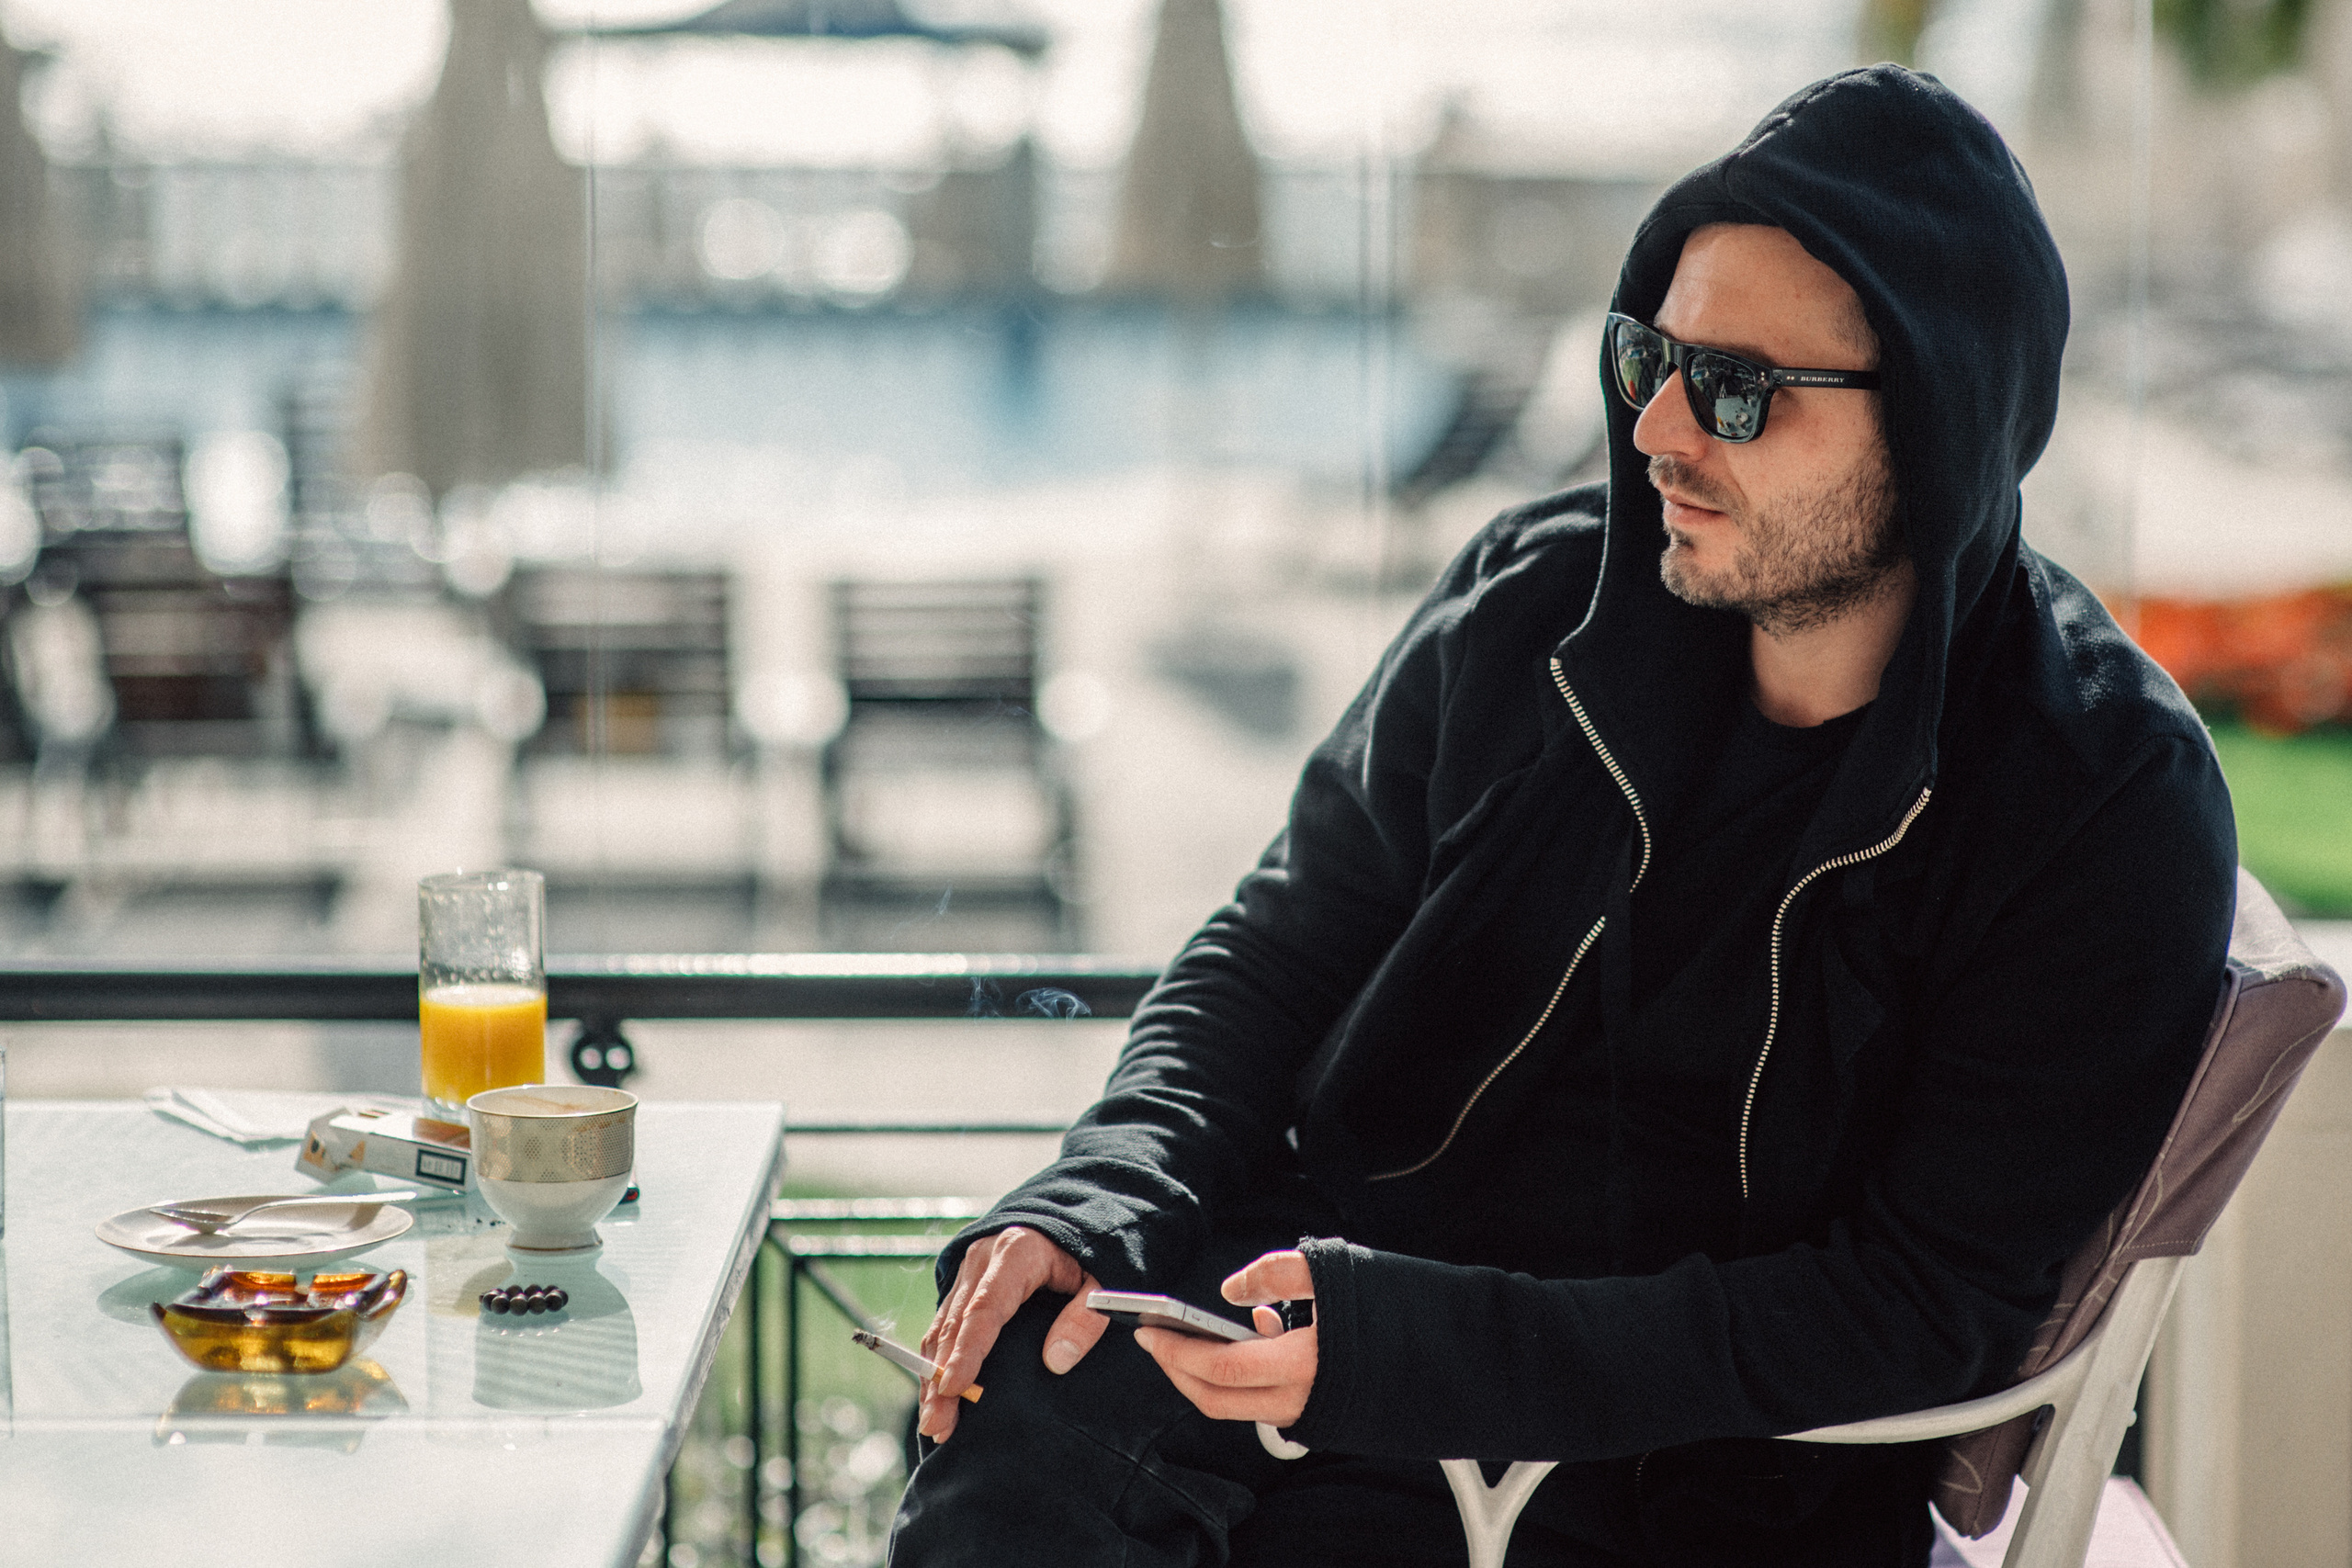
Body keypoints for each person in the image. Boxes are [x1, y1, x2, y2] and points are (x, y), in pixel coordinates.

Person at [888, 64, 2237, 1567]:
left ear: (1931, 421)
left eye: (1736, 390)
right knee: (1014, 1389)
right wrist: (1100, 1198)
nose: (1658, 427)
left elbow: (1914, 1307)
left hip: (1684, 1466)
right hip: (1319, 1318)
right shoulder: (1536, 603)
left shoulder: (2097, 798)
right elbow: (1273, 953)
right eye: (1647, 355)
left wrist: (1403, 1348)